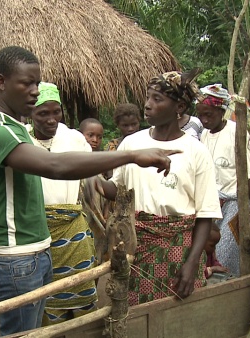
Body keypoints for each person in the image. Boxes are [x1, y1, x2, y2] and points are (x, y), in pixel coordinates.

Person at [0, 45, 176, 336]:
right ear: (0, 82)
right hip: (17, 256)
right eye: (26, 83)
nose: (34, 90)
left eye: (37, 82)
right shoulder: (0, 127)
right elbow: (55, 166)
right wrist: (132, 155)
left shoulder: (11, 124)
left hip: (33, 250)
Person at [95, 69, 222, 306]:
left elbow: (205, 214)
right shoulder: (132, 143)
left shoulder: (196, 151)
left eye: (157, 99)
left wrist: (193, 262)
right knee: (134, 313)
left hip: (179, 250)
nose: (147, 105)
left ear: (179, 108)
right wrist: (89, 178)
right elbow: (116, 190)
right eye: (148, 97)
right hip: (136, 246)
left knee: (177, 316)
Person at [26, 82, 98, 325]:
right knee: (45, 296)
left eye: (55, 111)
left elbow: (89, 173)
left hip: (71, 228)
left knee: (81, 288)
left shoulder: (74, 138)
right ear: (30, 113)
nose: (51, 119)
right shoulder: (21, 138)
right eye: (42, 113)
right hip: (36, 230)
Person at [196, 83, 250, 277]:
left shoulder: (237, 133)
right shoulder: (205, 134)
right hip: (211, 202)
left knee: (226, 253)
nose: (204, 120)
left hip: (234, 203)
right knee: (208, 253)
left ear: (221, 111)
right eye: (201, 115)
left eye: (209, 115)